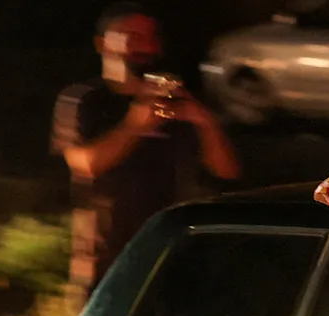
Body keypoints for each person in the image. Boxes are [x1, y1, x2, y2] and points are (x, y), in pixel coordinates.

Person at [52, 2, 240, 298]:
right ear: (102, 43)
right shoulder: (84, 100)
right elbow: (86, 164)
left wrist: (204, 121)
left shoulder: (175, 102)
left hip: (170, 253)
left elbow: (227, 171)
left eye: (150, 37)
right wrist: (136, 123)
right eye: (131, 35)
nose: (144, 45)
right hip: (106, 261)